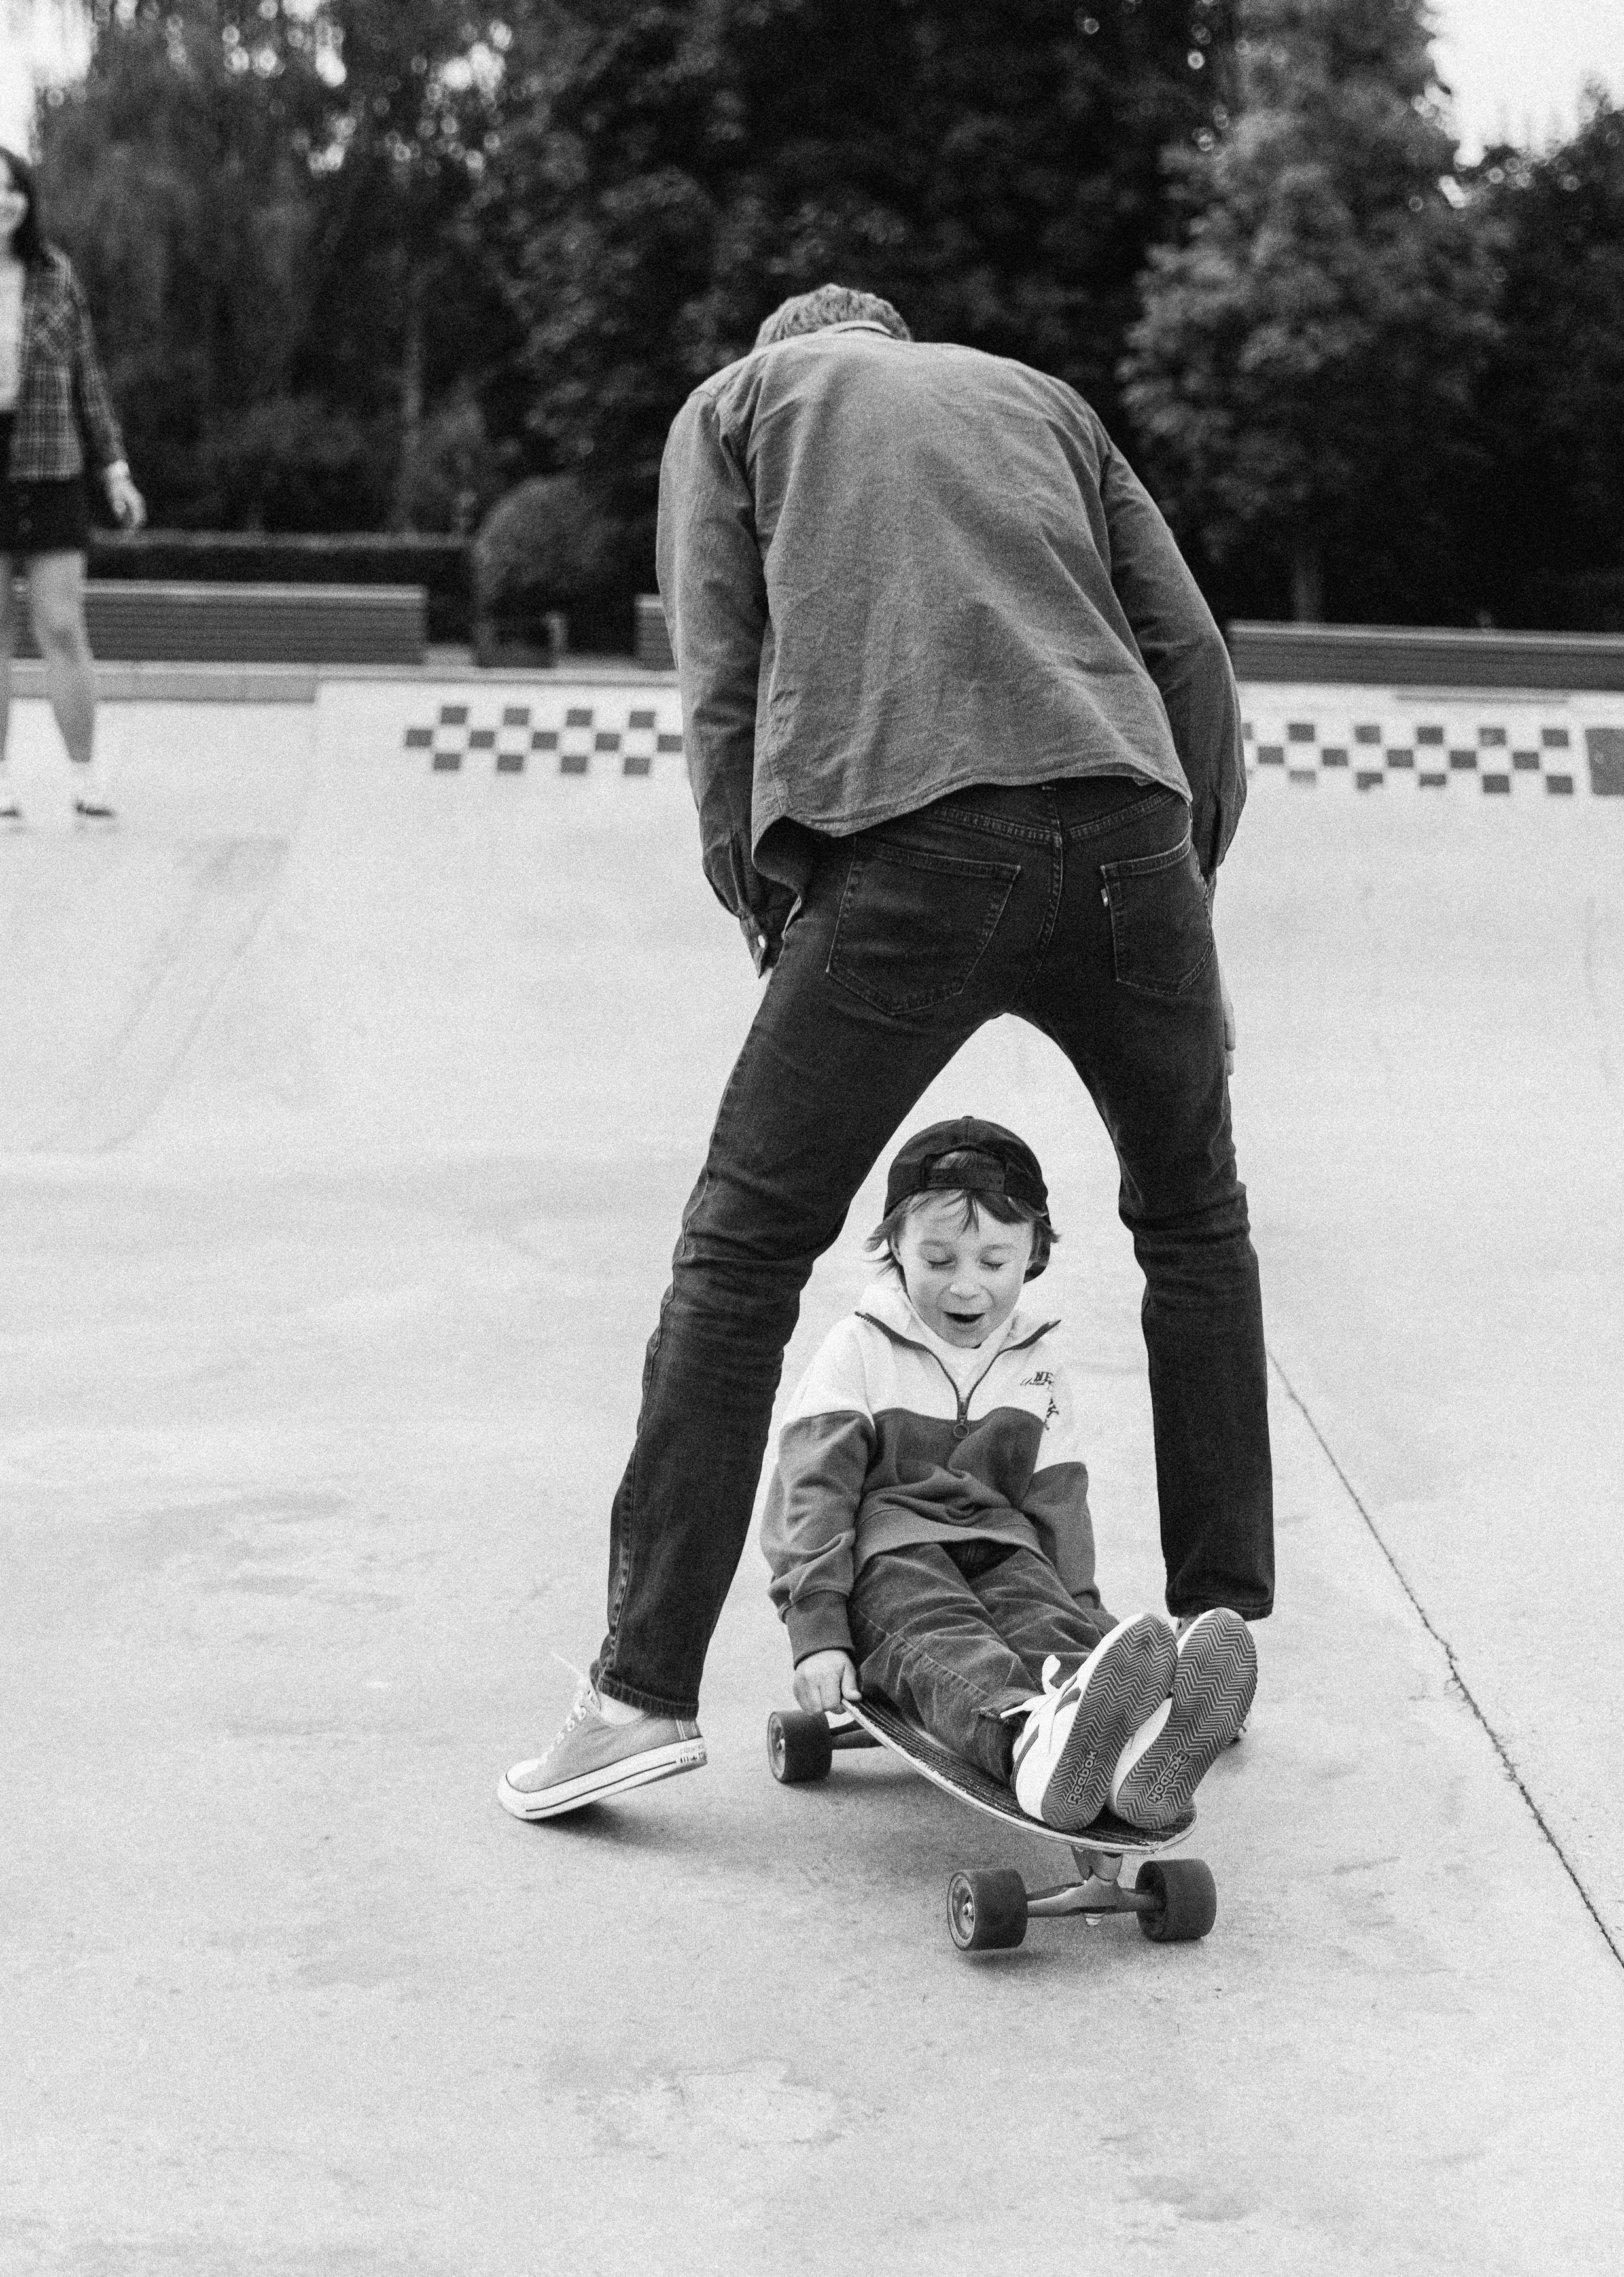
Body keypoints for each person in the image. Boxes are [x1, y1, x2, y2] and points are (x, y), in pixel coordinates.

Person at [499, 283, 1271, 1825]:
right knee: (1192, 1219)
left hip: (910, 847)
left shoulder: (739, 404)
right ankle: (1212, 1623)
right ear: (900, 344)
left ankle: (635, 1691)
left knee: (737, 1257)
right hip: (1130, 829)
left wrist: (760, 903)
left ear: (795, 347)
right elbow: (1191, 656)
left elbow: (722, 677)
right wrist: (1181, 877)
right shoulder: (1041, 398)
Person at [761, 1121, 1256, 1835]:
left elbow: (1057, 1501)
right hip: (889, 1556)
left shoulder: (1037, 1361)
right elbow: (811, 1491)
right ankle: (1025, 1737)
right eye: (937, 1259)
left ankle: (1133, 1740)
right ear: (895, 1246)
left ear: (1033, 1256)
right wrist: (817, 1626)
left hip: (1005, 1546)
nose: (967, 1287)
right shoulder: (859, 1347)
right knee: (942, 1634)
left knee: (1042, 1619)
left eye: (994, 1262)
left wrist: (1084, 1612)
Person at [0, 144, 145, 825]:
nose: (0, 199)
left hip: (51, 460)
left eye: (11, 188)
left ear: (27, 200)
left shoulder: (55, 275)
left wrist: (114, 467)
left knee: (61, 624)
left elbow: (89, 378)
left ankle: (85, 778)